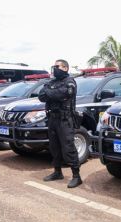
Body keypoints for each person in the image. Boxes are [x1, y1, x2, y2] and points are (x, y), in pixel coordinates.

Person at [38, 59, 82, 188]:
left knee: (68, 148)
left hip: (65, 119)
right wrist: (52, 93)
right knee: (54, 147)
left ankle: (76, 176)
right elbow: (41, 96)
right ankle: (57, 172)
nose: (54, 68)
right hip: (52, 118)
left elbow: (62, 94)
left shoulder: (70, 82)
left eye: (57, 66)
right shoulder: (52, 82)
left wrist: (50, 93)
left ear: (65, 68)